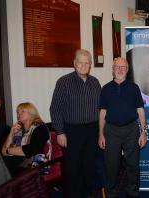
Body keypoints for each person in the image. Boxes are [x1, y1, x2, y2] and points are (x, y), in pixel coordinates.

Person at [50, 49, 101, 198]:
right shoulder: (63, 82)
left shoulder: (95, 82)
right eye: (81, 62)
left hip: (92, 131)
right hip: (71, 131)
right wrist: (59, 132)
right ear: (74, 63)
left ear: (90, 65)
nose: (84, 65)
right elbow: (55, 108)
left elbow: (100, 108)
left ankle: (87, 194)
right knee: (72, 169)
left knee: (89, 166)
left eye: (87, 63)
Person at [98, 57, 147, 198]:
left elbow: (140, 111)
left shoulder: (134, 88)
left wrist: (143, 132)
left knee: (133, 164)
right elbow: (102, 112)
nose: (120, 69)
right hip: (111, 131)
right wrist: (100, 134)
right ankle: (111, 193)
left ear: (127, 69)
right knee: (111, 165)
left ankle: (133, 192)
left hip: (131, 130)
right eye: (117, 67)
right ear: (112, 69)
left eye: (123, 67)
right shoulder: (106, 89)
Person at [1, 102, 50, 176]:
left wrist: (8, 151)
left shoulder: (40, 127)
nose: (19, 114)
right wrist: (11, 133)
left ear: (31, 113)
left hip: (34, 165)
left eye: (22, 111)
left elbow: (32, 149)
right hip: (18, 163)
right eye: (17, 112)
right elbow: (3, 150)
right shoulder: (19, 130)